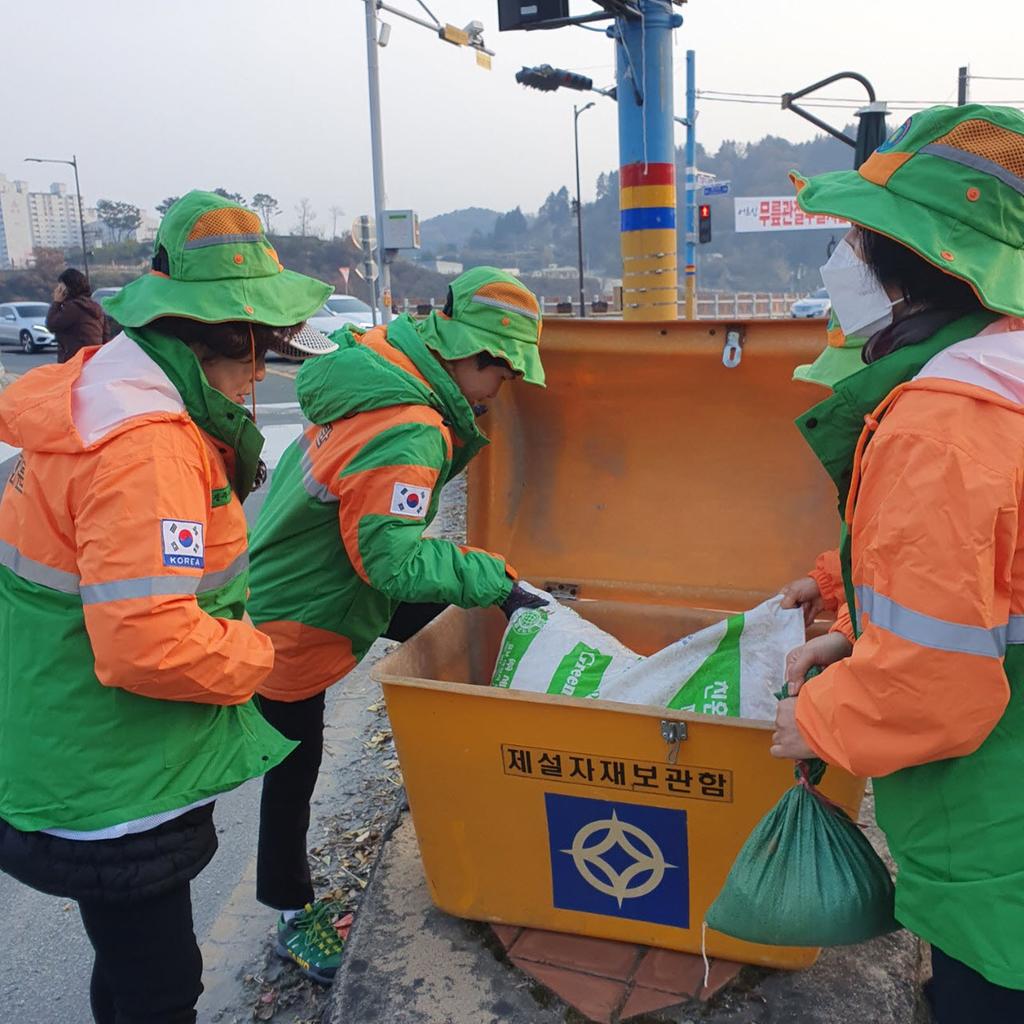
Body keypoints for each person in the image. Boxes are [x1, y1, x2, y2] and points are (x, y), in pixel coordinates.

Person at [0, 190, 336, 1024]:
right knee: (160, 987)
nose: (261, 374)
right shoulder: (147, 448)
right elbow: (146, 643)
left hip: (70, 730)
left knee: (127, 968)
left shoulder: (94, 394)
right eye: (255, 352)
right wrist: (262, 657)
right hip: (115, 771)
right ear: (209, 340)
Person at [768, 105, 1024, 1023]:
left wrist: (820, 720)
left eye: (854, 236)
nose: (842, 258)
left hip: (1002, 860)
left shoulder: (945, 424)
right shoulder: (1004, 393)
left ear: (904, 262)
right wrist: (848, 621)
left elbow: (935, 686)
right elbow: (986, 585)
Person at [246, 266, 548, 983]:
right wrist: (496, 579)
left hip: (317, 576)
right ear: (475, 359)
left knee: (459, 617)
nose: (502, 394)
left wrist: (498, 595)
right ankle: (291, 914)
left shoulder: (385, 362)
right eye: (504, 376)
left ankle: (479, 780)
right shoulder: (410, 428)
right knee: (292, 769)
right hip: (302, 610)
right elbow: (394, 565)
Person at [45, 267, 106, 362]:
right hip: (92, 359)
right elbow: (105, 336)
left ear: (67, 289)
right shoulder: (95, 307)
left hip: (74, 361)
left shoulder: (73, 307)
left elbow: (52, 324)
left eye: (60, 287)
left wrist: (56, 302)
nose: (57, 290)